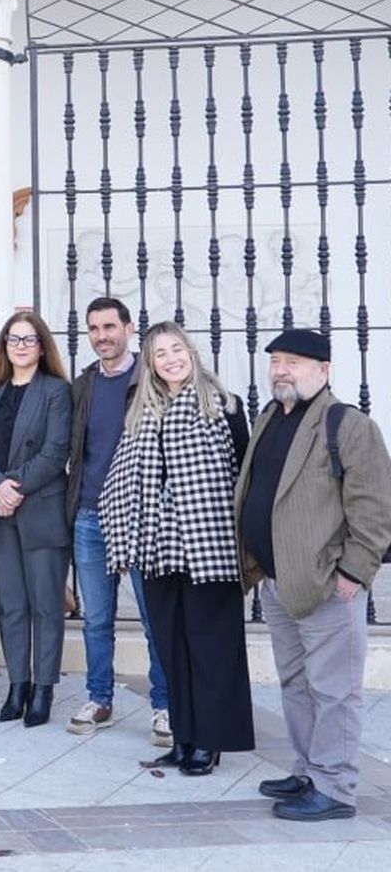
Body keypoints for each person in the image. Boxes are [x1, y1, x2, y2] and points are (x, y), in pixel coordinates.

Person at [235, 329, 391, 821]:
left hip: (328, 584)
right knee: (297, 684)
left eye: (294, 363)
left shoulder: (348, 425)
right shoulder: (269, 417)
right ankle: (308, 770)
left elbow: (373, 509)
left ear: (322, 370)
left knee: (333, 689)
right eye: (276, 361)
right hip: (280, 581)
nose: (282, 370)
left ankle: (336, 788)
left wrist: (354, 573)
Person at [99, 321, 252, 776]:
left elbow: (242, 475)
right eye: (159, 354)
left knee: (211, 645)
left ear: (191, 352)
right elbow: (122, 474)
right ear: (149, 363)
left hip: (209, 546)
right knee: (172, 646)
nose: (170, 359)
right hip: (157, 545)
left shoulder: (224, 405)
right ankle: (184, 736)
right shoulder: (141, 410)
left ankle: (211, 740)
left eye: (176, 349)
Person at [65, 297, 172, 746]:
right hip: (90, 514)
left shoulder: (151, 379)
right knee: (97, 619)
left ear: (129, 329)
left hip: (141, 514)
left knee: (154, 617)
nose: (101, 336)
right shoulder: (83, 384)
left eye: (109, 326)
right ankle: (99, 698)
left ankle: (165, 706)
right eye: (93, 328)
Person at [0, 311, 72, 728]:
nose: (21, 346)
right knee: (12, 605)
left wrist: (16, 489)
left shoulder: (56, 390)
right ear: (4, 346)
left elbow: (55, 450)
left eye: (29, 340)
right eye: (14, 339)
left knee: (46, 605)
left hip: (40, 508)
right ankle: (18, 684)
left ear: (42, 345)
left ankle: (44, 688)